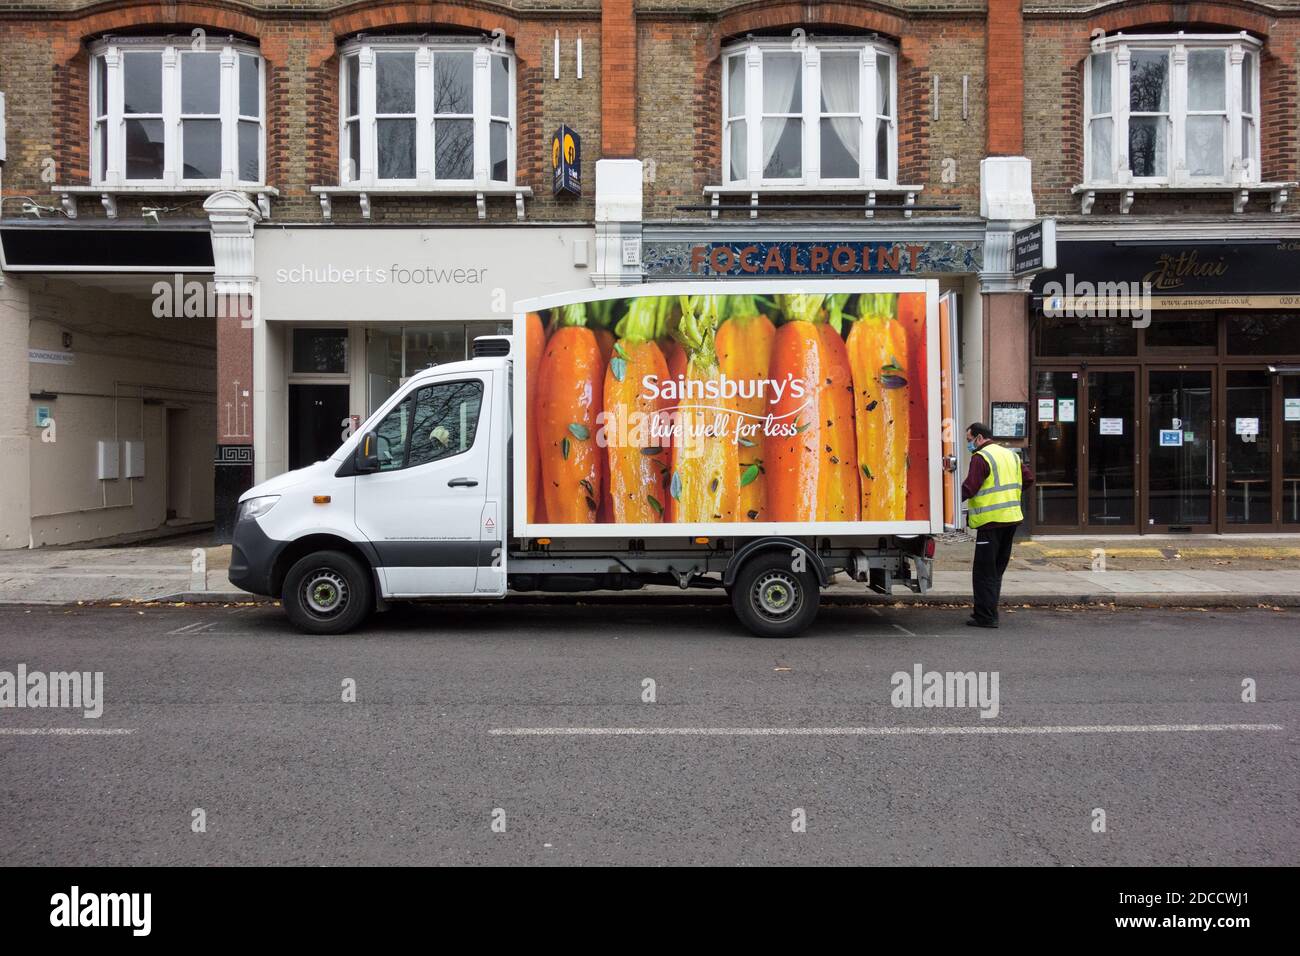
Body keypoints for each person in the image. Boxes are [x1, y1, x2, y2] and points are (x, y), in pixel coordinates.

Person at [961, 422, 1034, 628]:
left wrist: (949, 502)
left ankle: (985, 616)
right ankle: (990, 611)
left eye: (969, 440)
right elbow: (1028, 479)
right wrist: (1011, 495)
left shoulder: (981, 457)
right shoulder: (1010, 455)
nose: (969, 444)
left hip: (991, 522)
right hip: (1011, 520)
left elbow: (970, 487)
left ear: (979, 438)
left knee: (984, 572)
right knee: (996, 570)